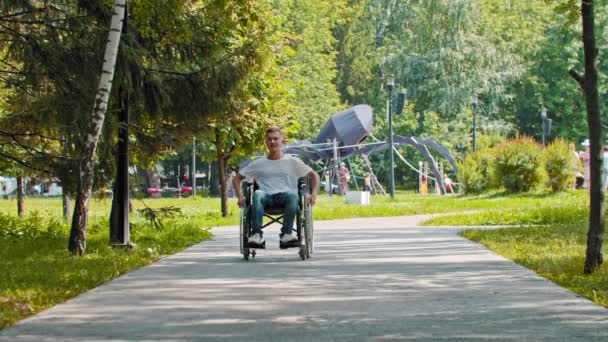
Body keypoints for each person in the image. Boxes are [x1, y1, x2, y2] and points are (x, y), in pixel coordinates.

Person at [233, 127, 320, 248]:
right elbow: (236, 179)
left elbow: (314, 175)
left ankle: (286, 234)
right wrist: (240, 197)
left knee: (293, 195)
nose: (272, 141)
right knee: (257, 193)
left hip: (287, 197)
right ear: (266, 142)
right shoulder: (258, 163)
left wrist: (314, 194)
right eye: (269, 139)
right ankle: (257, 235)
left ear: (282, 141)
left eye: (275, 139)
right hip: (266, 197)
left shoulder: (293, 161)